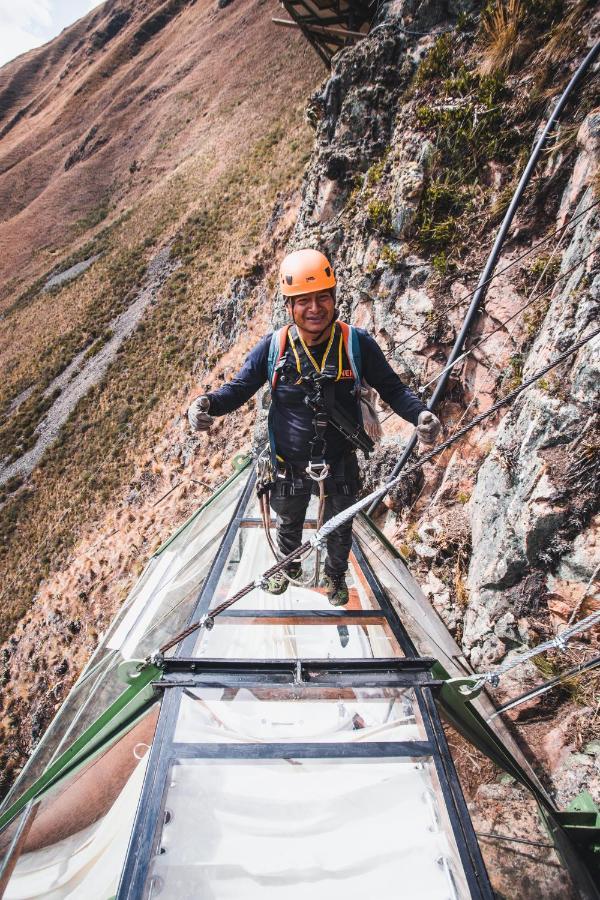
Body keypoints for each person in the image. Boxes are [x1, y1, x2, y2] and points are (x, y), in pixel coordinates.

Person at [188, 249, 441, 605]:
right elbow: (239, 388)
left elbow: (393, 389)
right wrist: (207, 404)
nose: (314, 308)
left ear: (334, 298)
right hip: (286, 465)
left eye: (322, 297)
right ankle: (289, 567)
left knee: (340, 528)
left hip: (339, 461)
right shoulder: (274, 348)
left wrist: (419, 415)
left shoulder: (357, 344)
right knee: (288, 521)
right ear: (289, 307)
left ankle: (335, 576)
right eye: (303, 301)